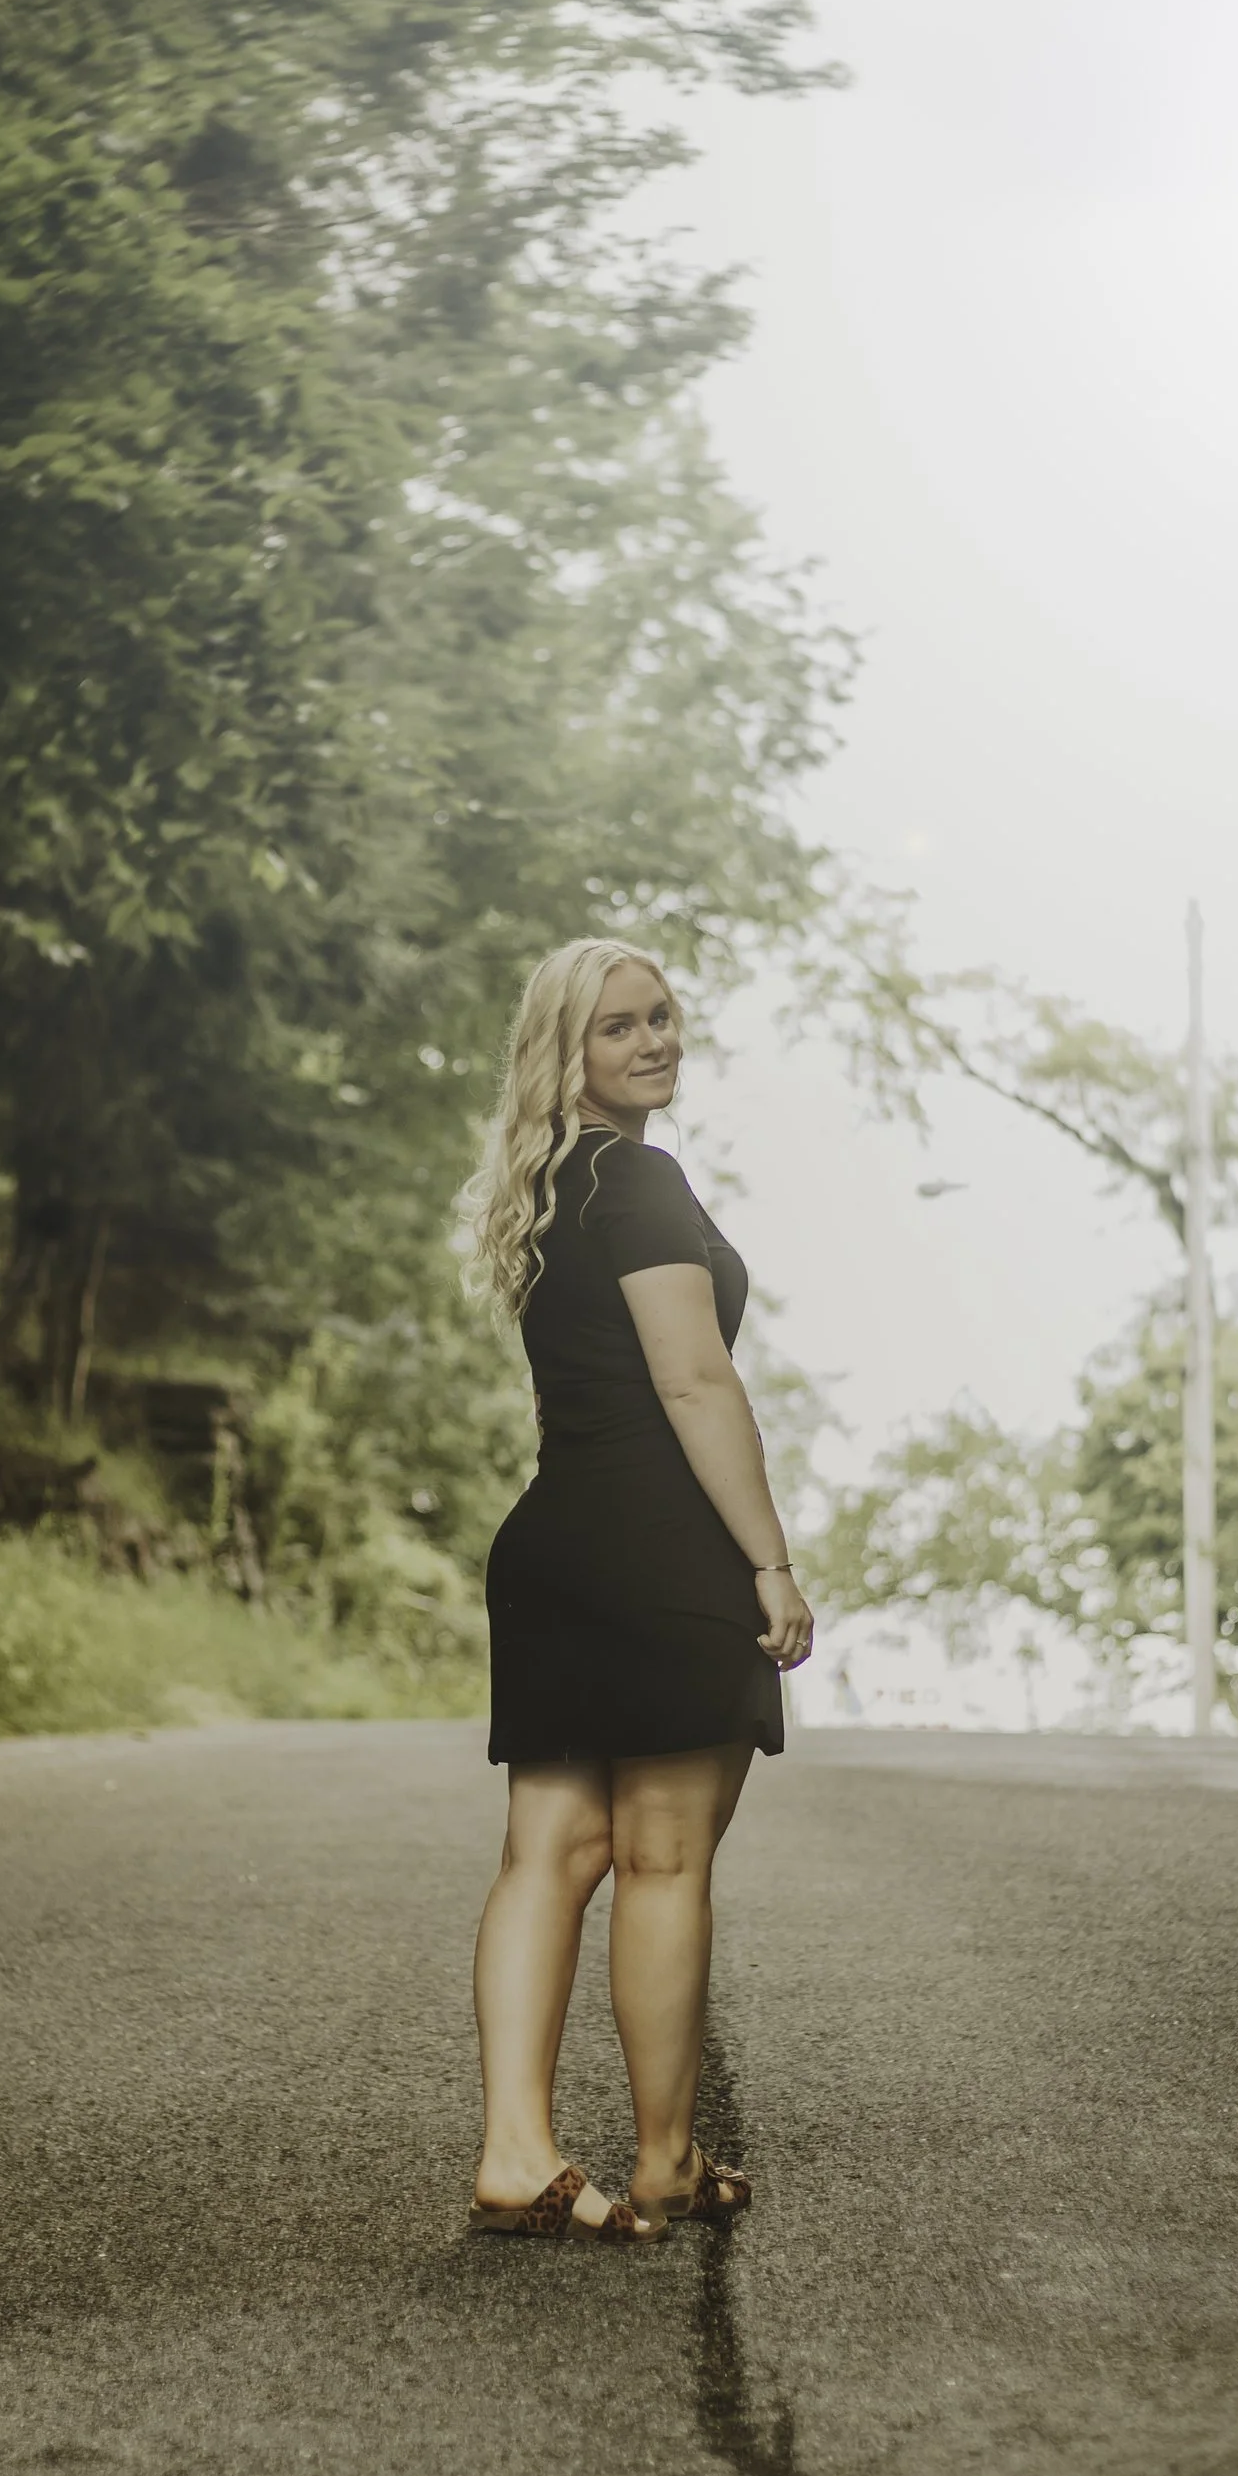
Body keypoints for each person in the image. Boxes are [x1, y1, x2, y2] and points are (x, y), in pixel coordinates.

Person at [459, 938, 813, 2242]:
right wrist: (768, 1560)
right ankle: (662, 2162)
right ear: (571, 1052)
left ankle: (515, 2154)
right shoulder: (643, 1181)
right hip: (658, 1557)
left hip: (553, 1550)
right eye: (619, 1027)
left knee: (546, 1857)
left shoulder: (552, 1184)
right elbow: (693, 1382)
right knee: (662, 1860)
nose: (653, 1041)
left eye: (662, 1017)